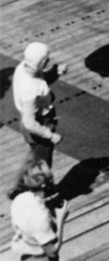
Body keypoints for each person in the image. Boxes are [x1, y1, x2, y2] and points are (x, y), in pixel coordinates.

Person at [12, 41, 66, 173]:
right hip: (40, 125)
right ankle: (37, 188)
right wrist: (49, 135)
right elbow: (29, 123)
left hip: (35, 122)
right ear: (40, 63)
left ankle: (27, 182)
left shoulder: (23, 67)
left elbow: (41, 81)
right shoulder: (30, 91)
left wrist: (55, 72)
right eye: (46, 60)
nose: (48, 61)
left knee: (35, 156)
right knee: (42, 165)